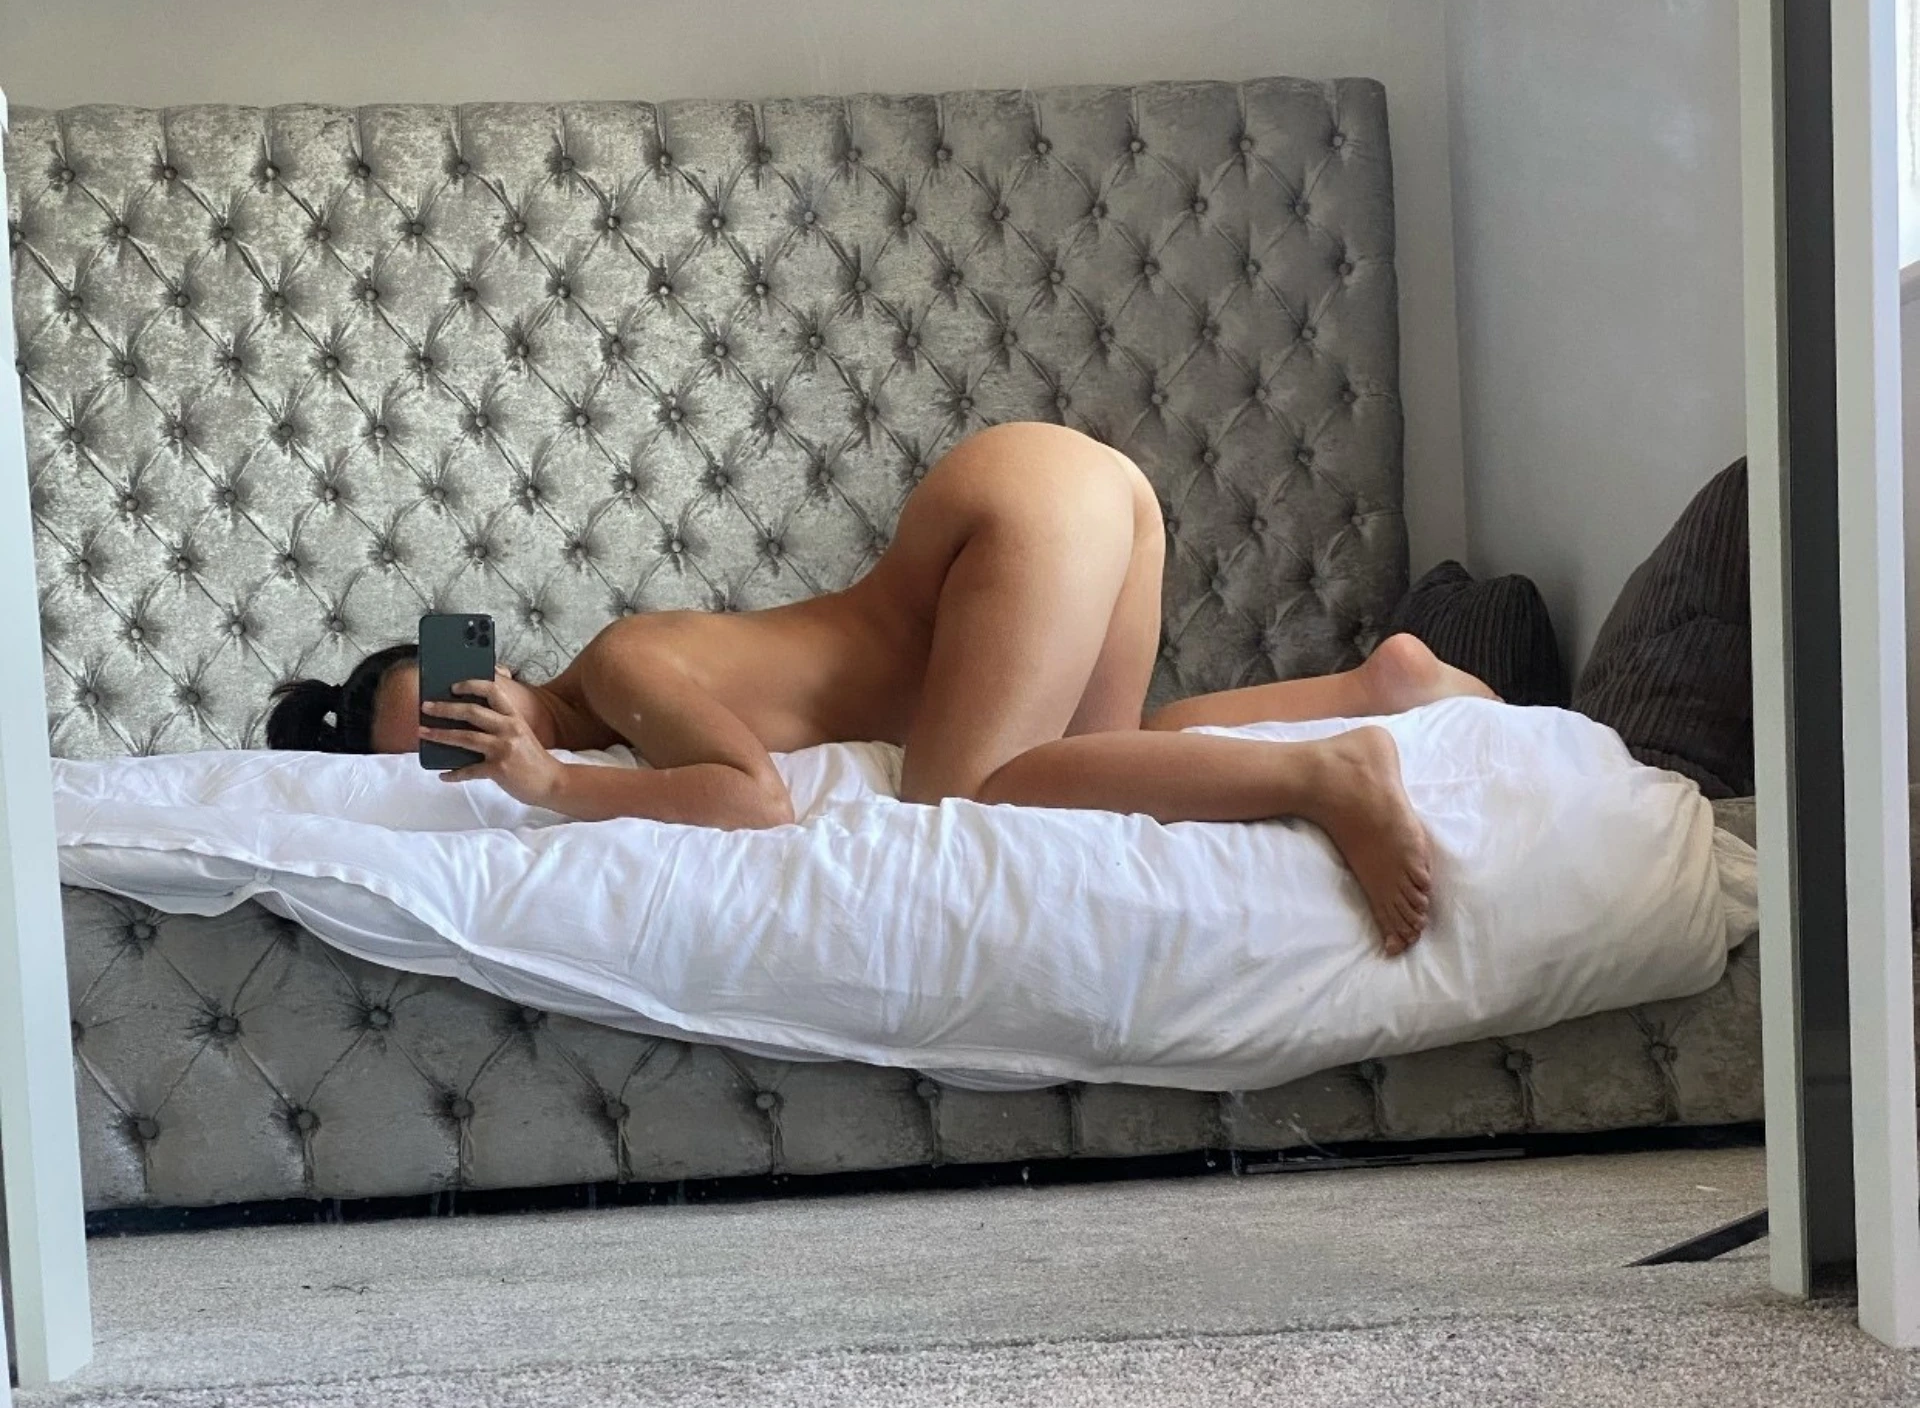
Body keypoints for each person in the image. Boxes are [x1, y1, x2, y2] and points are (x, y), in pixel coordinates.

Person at [265, 423, 1493, 954]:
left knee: (973, 793)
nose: (481, 732)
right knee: (1119, 762)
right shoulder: (618, 700)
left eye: (467, 700)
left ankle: (1331, 773)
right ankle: (1381, 685)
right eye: (448, 745)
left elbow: (752, 801)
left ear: (498, 664)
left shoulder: (623, 666)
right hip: (1076, 493)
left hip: (1012, 506)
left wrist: (546, 783)